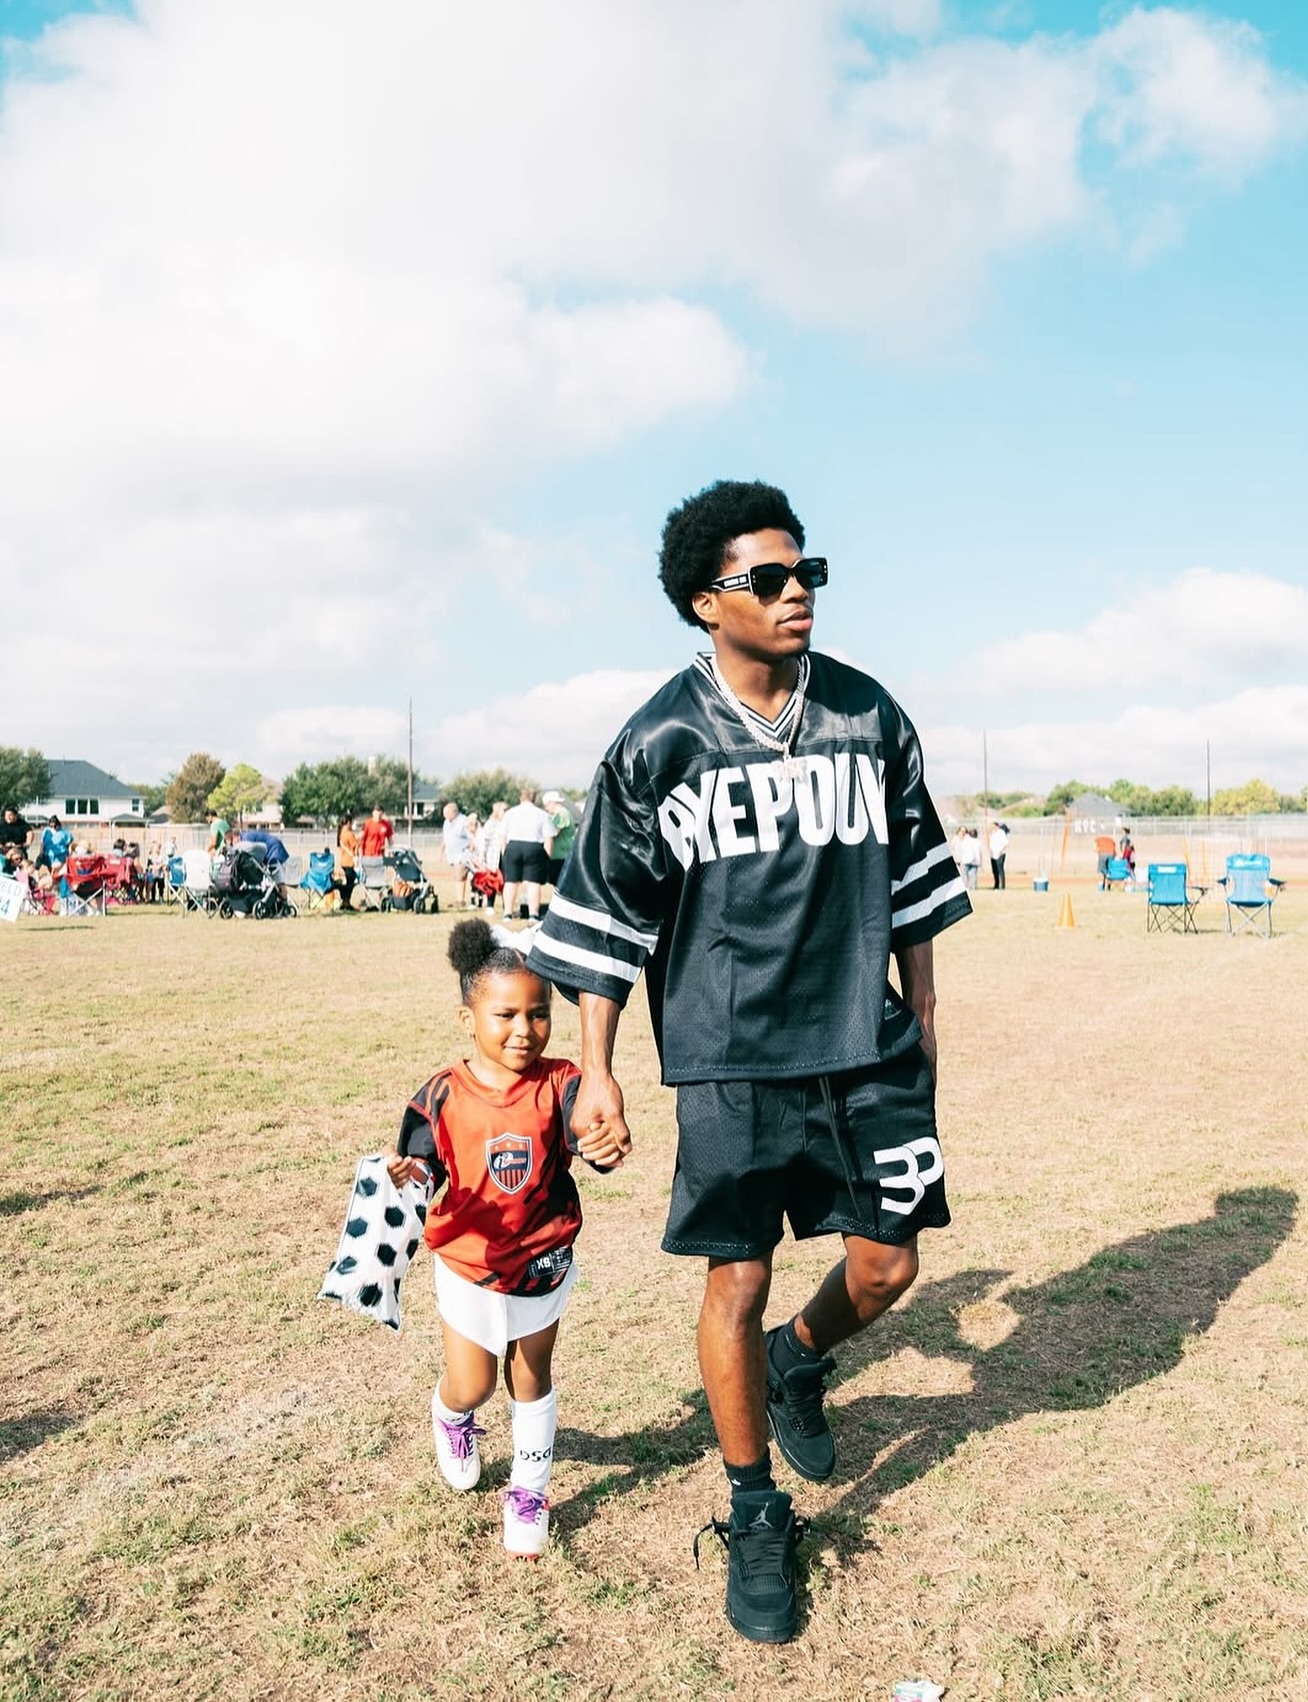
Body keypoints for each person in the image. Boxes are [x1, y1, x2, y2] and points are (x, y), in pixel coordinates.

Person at [528, 478, 971, 1644]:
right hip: (729, 1056)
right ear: (703, 602)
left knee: (889, 1264)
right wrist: (599, 1071)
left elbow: (913, 878)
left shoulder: (868, 715)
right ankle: (753, 1506)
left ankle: (799, 1361)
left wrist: (924, 1005)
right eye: (766, 579)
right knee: (736, 1277)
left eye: (805, 572)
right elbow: (609, 918)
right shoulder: (659, 740)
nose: (796, 594)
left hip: (864, 1039)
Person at [385, 921, 618, 1558]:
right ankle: (452, 1416)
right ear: (468, 1019)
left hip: (543, 1256)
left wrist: (602, 1144)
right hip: (469, 1262)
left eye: (538, 1014)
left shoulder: (563, 1082)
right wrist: (410, 1174)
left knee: (530, 1374)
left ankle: (529, 1492)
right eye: (506, 1015)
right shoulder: (441, 1094)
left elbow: (588, 1135)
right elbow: (425, 1167)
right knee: (475, 1384)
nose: (525, 1029)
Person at [499, 786, 551, 922]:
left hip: (513, 846)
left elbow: (502, 836)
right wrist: (547, 856)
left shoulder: (510, 813)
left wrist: (504, 853)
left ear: (520, 798)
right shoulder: (542, 814)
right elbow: (548, 838)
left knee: (511, 882)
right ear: (534, 799)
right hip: (534, 847)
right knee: (533, 883)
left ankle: (507, 913)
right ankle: (533, 914)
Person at [440, 802, 473, 909]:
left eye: (447, 814)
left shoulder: (463, 821)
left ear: (454, 812)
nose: (445, 816)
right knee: (456, 877)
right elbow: (445, 838)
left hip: (462, 854)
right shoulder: (447, 822)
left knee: (460, 876)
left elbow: (472, 836)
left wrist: (471, 850)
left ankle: (460, 901)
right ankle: (459, 899)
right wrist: (441, 851)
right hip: (452, 855)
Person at [542, 791, 575, 888]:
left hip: (560, 854)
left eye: (546, 805)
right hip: (560, 854)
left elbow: (554, 832)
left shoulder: (561, 815)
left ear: (551, 802)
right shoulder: (560, 814)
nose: (546, 808)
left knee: (558, 882)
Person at [335, 813, 360, 911]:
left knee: (344, 883)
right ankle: (347, 902)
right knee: (350, 883)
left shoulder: (340, 833)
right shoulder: (349, 834)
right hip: (349, 861)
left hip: (343, 861)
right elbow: (355, 845)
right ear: (348, 822)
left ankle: (344, 901)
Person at [955, 826, 982, 893]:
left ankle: (965, 887)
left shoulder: (966, 841)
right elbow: (980, 852)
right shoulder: (979, 842)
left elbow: (962, 849)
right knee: (973, 875)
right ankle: (974, 887)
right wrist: (980, 861)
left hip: (966, 860)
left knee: (965, 875)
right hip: (975, 861)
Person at [988, 820, 1009, 890]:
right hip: (993, 854)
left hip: (1000, 854)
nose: (992, 828)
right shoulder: (992, 834)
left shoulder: (1001, 833)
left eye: (993, 826)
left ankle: (1002, 886)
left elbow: (1006, 844)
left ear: (997, 826)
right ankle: (996, 885)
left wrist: (1001, 851)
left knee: (1000, 870)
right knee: (995, 870)